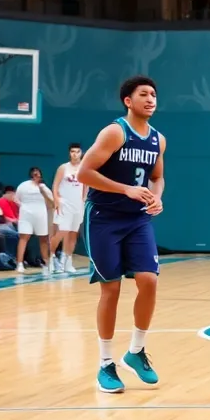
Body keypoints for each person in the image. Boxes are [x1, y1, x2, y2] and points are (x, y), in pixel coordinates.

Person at [78, 76, 166, 394]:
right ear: (128, 101)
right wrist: (125, 189)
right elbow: (83, 172)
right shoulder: (115, 132)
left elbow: (157, 177)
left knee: (149, 280)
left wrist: (156, 196)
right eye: (144, 94)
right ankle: (105, 363)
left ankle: (136, 351)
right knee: (110, 290)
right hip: (104, 218)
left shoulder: (158, 139)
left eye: (154, 94)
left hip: (137, 220)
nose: (151, 99)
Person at [51, 143, 86, 274]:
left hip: (78, 205)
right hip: (64, 203)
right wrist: (56, 200)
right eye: (72, 151)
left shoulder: (84, 167)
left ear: (81, 153)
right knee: (62, 231)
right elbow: (55, 185)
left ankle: (67, 261)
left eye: (77, 151)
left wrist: (84, 200)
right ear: (69, 153)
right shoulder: (63, 168)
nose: (75, 154)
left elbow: (86, 186)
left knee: (73, 234)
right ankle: (52, 256)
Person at [14, 167, 54, 275]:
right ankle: (19, 264)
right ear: (31, 174)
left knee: (43, 239)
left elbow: (51, 203)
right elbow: (16, 199)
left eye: (38, 173)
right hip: (26, 215)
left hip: (41, 215)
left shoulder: (44, 187)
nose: (36, 175)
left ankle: (46, 263)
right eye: (34, 173)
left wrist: (42, 190)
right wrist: (23, 207)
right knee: (24, 238)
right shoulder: (23, 185)